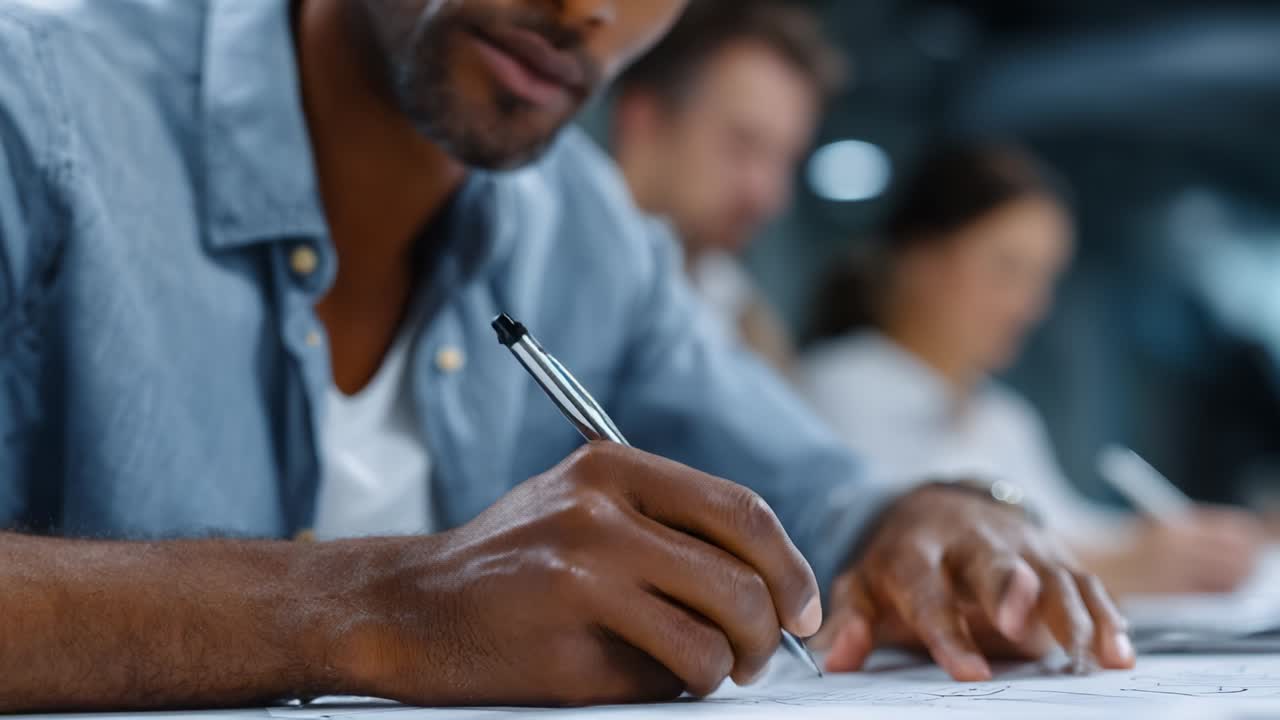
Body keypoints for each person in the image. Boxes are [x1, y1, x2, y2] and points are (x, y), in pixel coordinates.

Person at [0, 1, 1133, 712]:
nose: (586, 7)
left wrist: (930, 517)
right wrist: (383, 607)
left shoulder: (586, 237)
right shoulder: (35, 105)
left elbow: (818, 495)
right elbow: (400, 612)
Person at [799, 142, 1264, 598]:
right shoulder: (838, 391)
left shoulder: (1002, 414)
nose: (1033, 306)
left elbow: (1067, 525)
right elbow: (892, 558)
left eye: (1043, 278)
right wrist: (1129, 565)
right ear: (921, 262)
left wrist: (1201, 543)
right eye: (1007, 269)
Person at [611, 0, 840, 371]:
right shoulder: (532, 263)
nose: (769, 196)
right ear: (644, 118)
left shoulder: (750, 332)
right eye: (743, 145)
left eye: (785, 161)